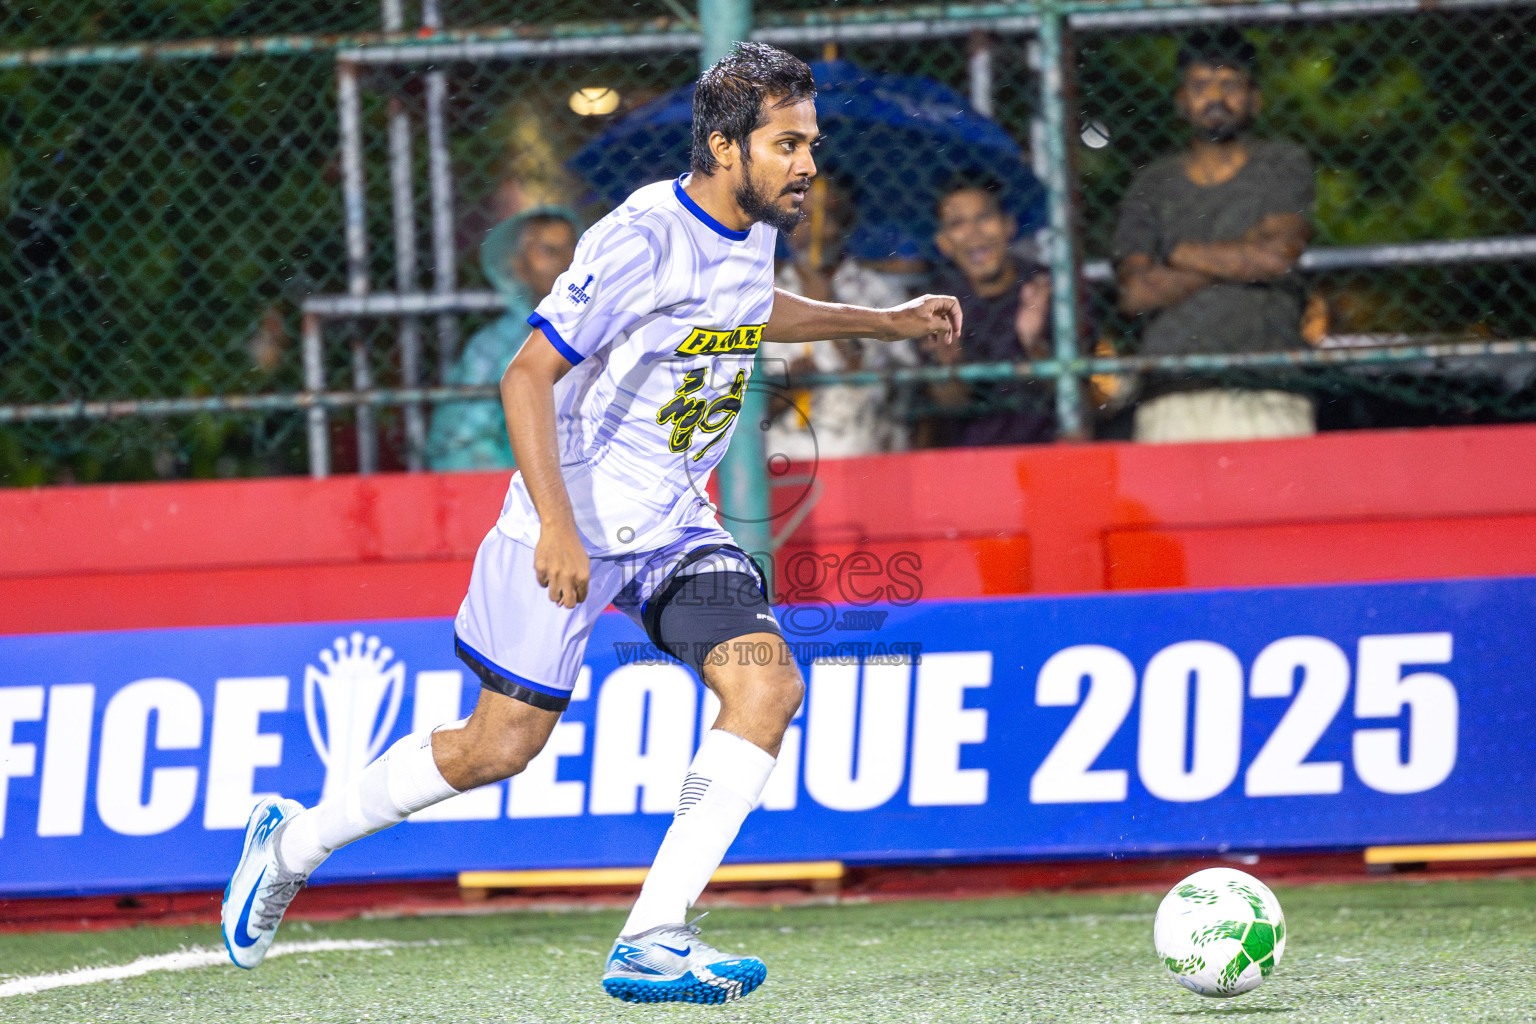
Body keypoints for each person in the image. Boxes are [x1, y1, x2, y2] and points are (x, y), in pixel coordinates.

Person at [219, 42, 961, 1005]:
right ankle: (293, 843)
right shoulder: (641, 234)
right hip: (567, 519)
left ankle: (653, 937)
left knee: (767, 687)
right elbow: (526, 373)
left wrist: (882, 322)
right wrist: (558, 530)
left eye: (810, 142)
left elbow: (742, 308)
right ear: (726, 145)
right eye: (788, 144)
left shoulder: (756, 222)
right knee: (498, 747)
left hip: (667, 525)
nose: (808, 163)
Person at [1115, 27, 1316, 443]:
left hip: (1269, 385)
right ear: (1181, 101)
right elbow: (1135, 293)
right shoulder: (1152, 184)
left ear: (1254, 99)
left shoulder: (1282, 164)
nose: (1216, 97)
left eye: (1231, 85)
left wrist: (1181, 255)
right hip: (1172, 389)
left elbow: (1278, 255)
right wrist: (1242, 255)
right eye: (1201, 86)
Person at [763, 175, 918, 460]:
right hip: (780, 466)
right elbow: (740, 411)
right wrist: (787, 387)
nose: (814, 230)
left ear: (848, 223)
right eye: (802, 216)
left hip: (861, 459)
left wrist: (826, 309)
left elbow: (894, 395)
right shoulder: (762, 298)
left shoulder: (881, 294)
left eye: (828, 217)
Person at [426, 207, 579, 470]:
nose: (566, 262)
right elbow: (457, 448)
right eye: (549, 251)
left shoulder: (609, 332)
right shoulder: (492, 348)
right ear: (519, 267)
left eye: (573, 250)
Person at [921, 178, 1054, 447]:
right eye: (957, 224)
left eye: (984, 217)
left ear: (1009, 226)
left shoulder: (1045, 288)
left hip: (1046, 446)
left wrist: (1034, 345)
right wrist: (948, 364)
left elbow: (1086, 398)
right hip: (970, 455)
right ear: (943, 243)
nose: (973, 232)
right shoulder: (935, 302)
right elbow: (950, 404)